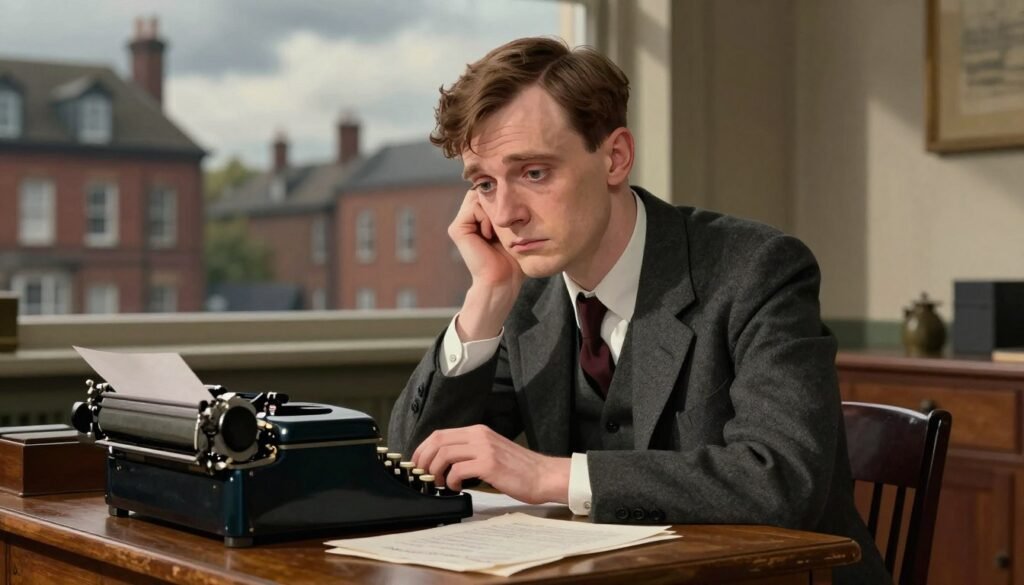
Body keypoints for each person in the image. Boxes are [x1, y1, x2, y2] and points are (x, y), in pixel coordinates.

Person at [388, 37, 889, 584]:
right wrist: (485, 297)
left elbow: (783, 480)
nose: (505, 214)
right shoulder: (527, 297)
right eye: (484, 184)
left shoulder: (757, 270)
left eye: (533, 173)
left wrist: (554, 476)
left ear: (615, 158)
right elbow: (418, 469)